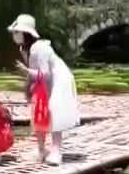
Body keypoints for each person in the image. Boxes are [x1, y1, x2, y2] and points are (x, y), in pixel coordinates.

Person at [9, 14, 79, 165]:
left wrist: (26, 72)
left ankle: (56, 151)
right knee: (38, 111)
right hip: (44, 80)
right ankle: (41, 149)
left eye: (16, 32)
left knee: (54, 112)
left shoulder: (40, 48)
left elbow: (46, 73)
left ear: (25, 33)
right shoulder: (25, 49)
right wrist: (27, 88)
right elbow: (34, 71)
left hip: (58, 79)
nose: (14, 35)